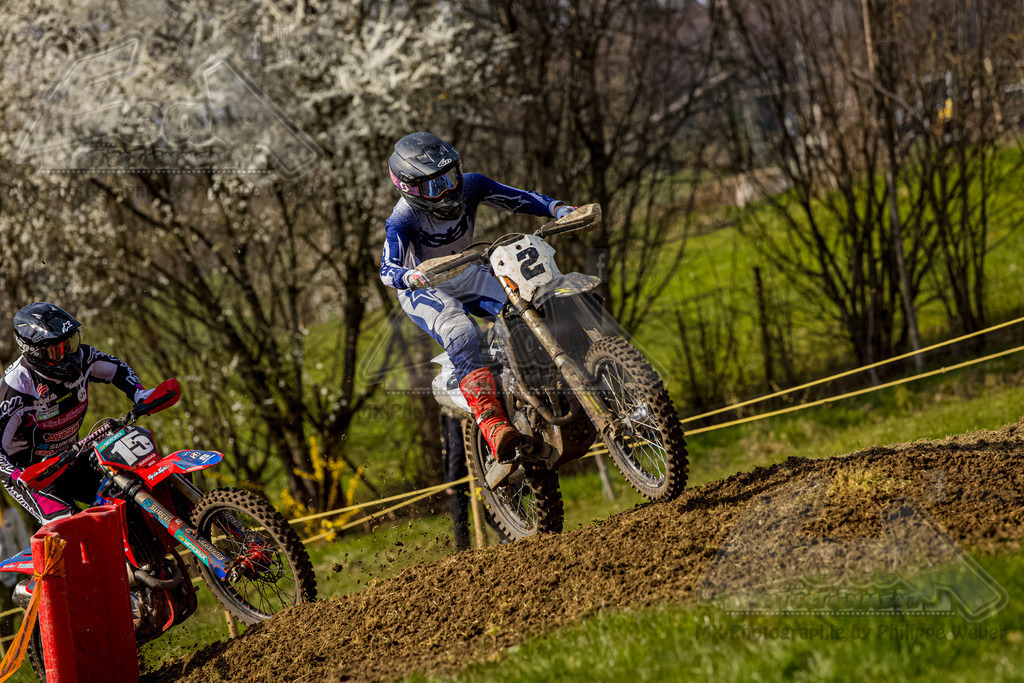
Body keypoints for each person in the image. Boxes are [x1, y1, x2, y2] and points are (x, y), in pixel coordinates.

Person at [382, 132, 576, 462]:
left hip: (468, 270)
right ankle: (492, 421)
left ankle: (546, 384)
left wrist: (557, 208)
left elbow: (518, 198)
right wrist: (409, 276)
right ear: (409, 189)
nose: (448, 190)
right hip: (425, 286)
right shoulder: (402, 218)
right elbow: (388, 269)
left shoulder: (472, 185)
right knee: (460, 330)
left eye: (451, 177)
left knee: (525, 305)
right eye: (434, 186)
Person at [0, 302, 153, 524]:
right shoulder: (17, 386)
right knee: (70, 521)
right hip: (34, 476)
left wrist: (140, 394)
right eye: (57, 350)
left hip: (71, 456)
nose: (69, 355)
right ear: (35, 353)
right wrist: (17, 476)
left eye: (69, 343)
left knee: (123, 489)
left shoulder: (84, 357)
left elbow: (116, 369)